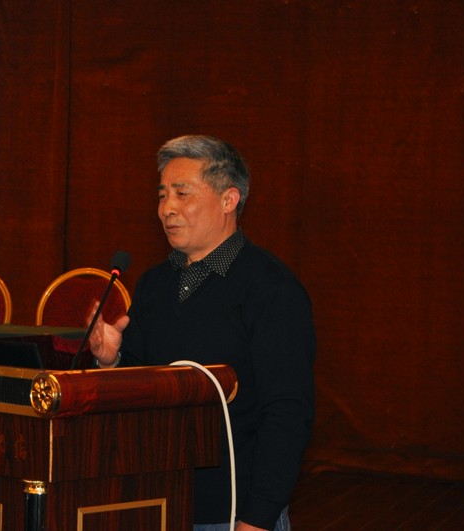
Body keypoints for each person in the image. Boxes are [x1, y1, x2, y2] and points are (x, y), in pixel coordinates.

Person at [89, 135, 316, 531]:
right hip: (155, 504)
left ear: (229, 200)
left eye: (182, 193)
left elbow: (287, 413)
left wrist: (257, 518)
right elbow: (143, 391)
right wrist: (112, 361)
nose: (167, 208)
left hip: (232, 512)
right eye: (162, 195)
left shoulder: (270, 288)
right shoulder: (155, 284)